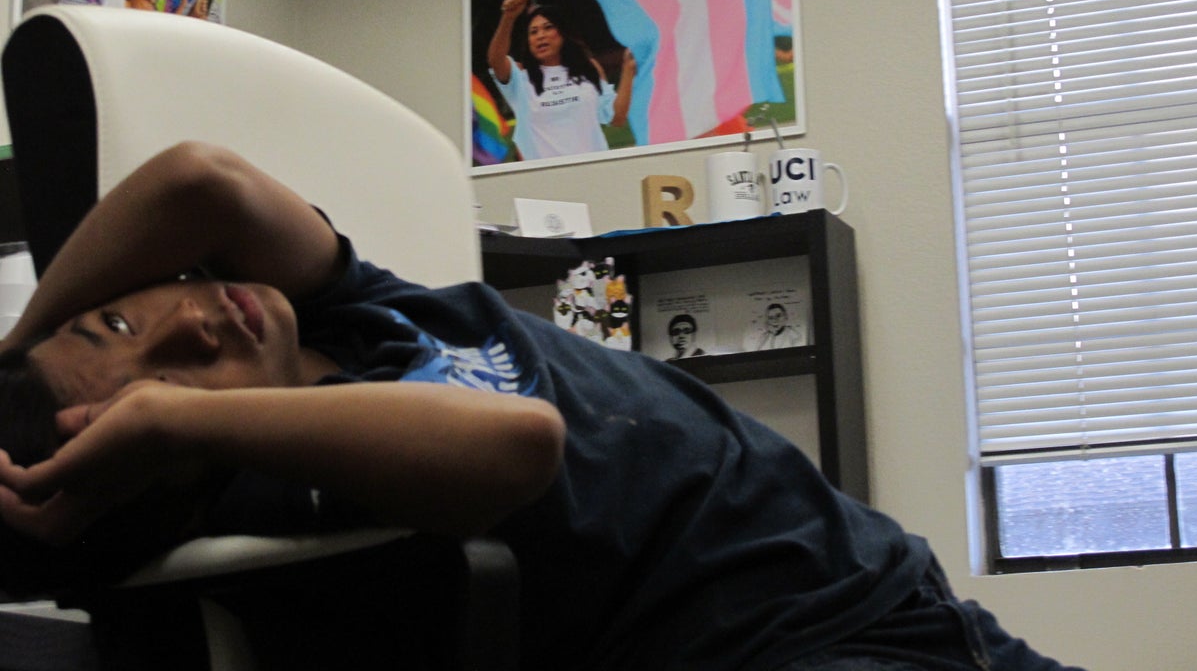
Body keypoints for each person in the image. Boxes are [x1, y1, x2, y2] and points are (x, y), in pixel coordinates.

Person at [0, 143, 1086, 671]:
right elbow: (517, 443)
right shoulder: (311, 486)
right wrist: (172, 419)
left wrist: (16, 348)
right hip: (797, 650)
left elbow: (200, 181)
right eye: (173, 385)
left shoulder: (353, 314)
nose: (197, 320)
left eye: (116, 321)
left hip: (896, 589)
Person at [487, 0, 636, 160]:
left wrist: (628, 70)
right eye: (533, 32)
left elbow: (617, 117)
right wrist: (509, 18)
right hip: (543, 177)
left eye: (548, 27)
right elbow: (495, 60)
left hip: (593, 170)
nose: (540, 36)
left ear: (563, 33)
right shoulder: (520, 76)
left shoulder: (588, 68)